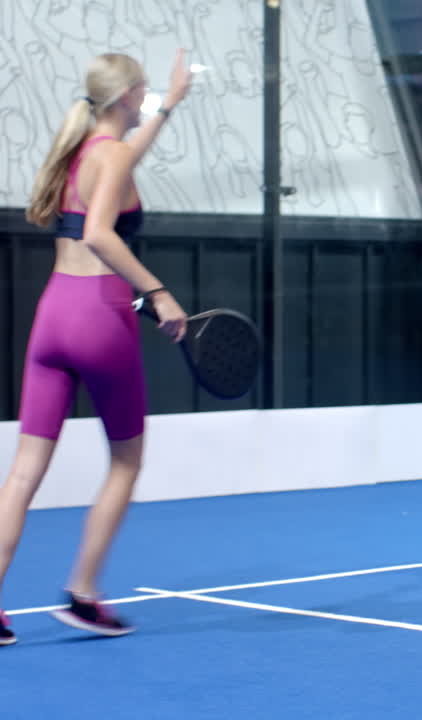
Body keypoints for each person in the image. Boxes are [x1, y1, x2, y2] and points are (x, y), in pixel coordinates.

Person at [0, 50, 191, 645]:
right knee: (127, 460)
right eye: (146, 93)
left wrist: (169, 106)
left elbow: (121, 162)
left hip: (53, 314)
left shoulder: (84, 152)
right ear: (130, 94)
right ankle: (84, 593)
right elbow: (102, 233)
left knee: (23, 474)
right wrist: (158, 293)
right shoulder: (110, 157)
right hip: (100, 318)